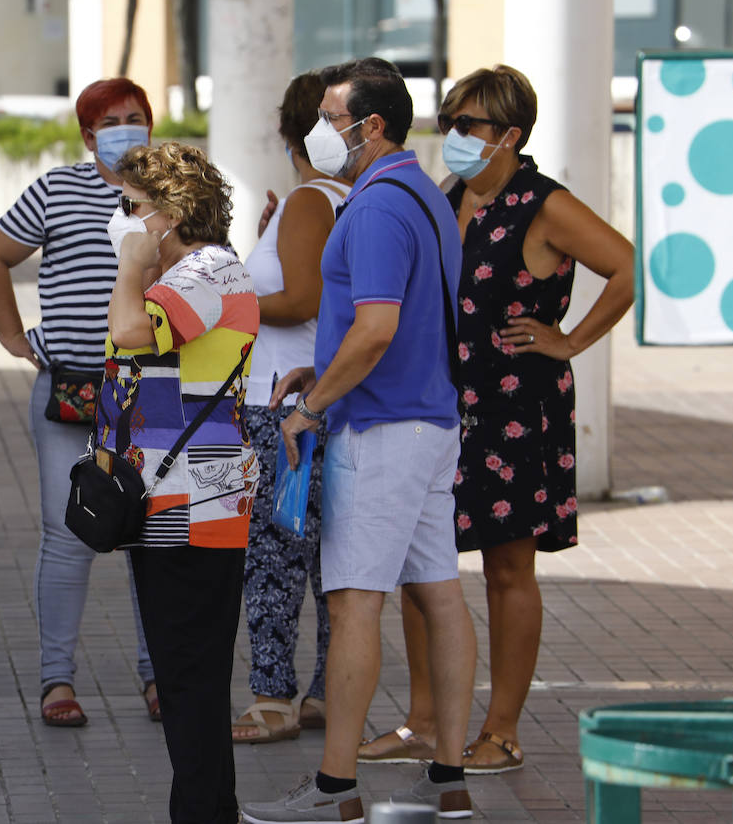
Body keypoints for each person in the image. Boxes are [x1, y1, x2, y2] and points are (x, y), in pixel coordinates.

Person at [359, 65, 634, 776]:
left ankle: (502, 730)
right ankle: (423, 721)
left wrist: (566, 339)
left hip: (517, 409)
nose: (452, 135)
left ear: (510, 134)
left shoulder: (545, 204)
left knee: (508, 570)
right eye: (448, 120)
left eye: (469, 124)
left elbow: (627, 265)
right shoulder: (452, 194)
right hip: (444, 404)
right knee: (423, 567)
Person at [242, 57, 477, 824]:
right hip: (430, 421)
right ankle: (448, 781)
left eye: (332, 117)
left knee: (353, 605)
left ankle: (335, 789)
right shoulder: (422, 191)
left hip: (381, 430)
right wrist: (326, 362)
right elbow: (391, 322)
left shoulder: (374, 207)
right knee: (439, 594)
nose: (322, 131)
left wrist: (315, 401)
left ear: (370, 125)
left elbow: (375, 330)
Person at [0, 77, 158, 727]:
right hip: (70, 391)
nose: (127, 128)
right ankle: (57, 680)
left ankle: (156, 675)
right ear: (87, 135)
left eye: (137, 117)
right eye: (112, 121)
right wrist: (11, 336)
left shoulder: (173, 193)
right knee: (67, 534)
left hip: (151, 392)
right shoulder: (58, 189)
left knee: (149, 534)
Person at [103, 142, 258, 823]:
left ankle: (202, 814)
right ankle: (202, 809)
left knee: (188, 676)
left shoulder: (210, 272)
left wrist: (130, 265)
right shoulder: (190, 274)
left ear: (169, 212)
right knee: (185, 673)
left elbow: (131, 331)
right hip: (173, 498)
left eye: (132, 206)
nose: (124, 219)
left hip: (194, 504)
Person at [232, 72, 350, 744]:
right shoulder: (353, 197)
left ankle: (272, 698)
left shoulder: (311, 200)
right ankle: (326, 692)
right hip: (328, 394)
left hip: (281, 401)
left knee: (274, 556)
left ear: (290, 133)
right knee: (331, 559)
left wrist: (225, 303)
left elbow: (300, 299)